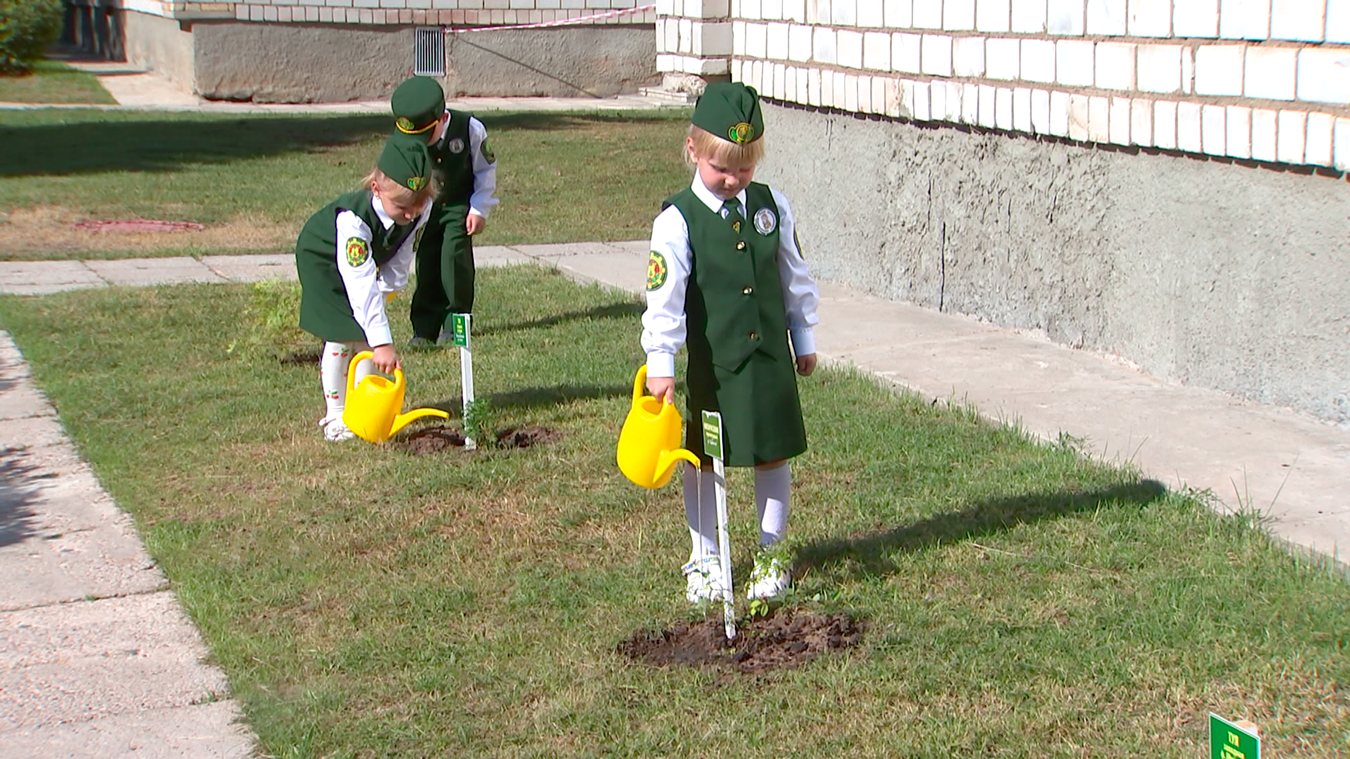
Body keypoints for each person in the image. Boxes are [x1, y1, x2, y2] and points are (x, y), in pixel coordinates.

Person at [640, 82, 820, 603]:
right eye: (721, 166)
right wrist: (661, 360)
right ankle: (705, 558)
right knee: (702, 459)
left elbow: (794, 276)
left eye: (744, 168)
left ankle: (772, 555)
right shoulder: (676, 222)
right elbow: (664, 298)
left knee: (772, 453)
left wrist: (802, 334)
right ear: (693, 149)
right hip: (713, 368)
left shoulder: (772, 207)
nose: (732, 178)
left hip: (768, 363)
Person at [296, 133, 438, 442]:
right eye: (402, 206)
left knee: (365, 337)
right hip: (324, 261)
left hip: (362, 266)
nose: (411, 213)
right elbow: (359, 281)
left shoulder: (417, 210)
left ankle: (360, 410)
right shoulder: (353, 221)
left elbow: (402, 256)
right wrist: (382, 341)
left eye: (418, 204)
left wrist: (386, 294)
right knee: (342, 333)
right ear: (376, 189)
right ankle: (336, 416)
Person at [389, 76, 499, 345]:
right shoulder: (407, 139)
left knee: (454, 261)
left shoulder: (469, 129)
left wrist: (479, 209)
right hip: (424, 208)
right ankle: (424, 329)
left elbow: (485, 171)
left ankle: (456, 325)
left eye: (427, 134)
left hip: (460, 204)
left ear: (442, 117)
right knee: (426, 263)